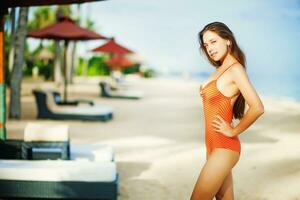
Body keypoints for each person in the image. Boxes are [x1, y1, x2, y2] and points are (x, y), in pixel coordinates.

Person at [190, 22, 264, 200]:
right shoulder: (219, 69)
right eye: (206, 45)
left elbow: (258, 107)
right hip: (212, 146)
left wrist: (233, 130)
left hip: (225, 146)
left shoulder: (235, 69)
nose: (209, 48)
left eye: (213, 42)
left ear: (228, 40)